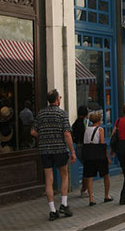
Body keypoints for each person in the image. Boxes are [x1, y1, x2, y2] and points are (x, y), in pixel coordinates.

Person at [31, 89, 76, 221]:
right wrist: (72, 151)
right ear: (57, 99)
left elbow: (33, 131)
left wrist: (43, 137)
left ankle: (52, 210)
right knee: (64, 175)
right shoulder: (62, 114)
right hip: (60, 149)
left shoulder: (41, 113)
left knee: (48, 180)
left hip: (45, 151)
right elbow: (67, 134)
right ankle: (64, 203)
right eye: (60, 97)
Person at [82, 112, 113, 205]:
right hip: (99, 156)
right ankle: (106, 195)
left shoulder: (86, 129)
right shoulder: (100, 130)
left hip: (88, 156)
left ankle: (91, 198)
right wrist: (107, 157)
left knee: (89, 177)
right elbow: (102, 144)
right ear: (99, 121)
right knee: (106, 176)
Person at [72, 105, 89, 196]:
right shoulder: (83, 124)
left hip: (78, 146)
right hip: (84, 147)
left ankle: (85, 189)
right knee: (87, 169)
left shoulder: (75, 123)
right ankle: (84, 189)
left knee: (86, 168)